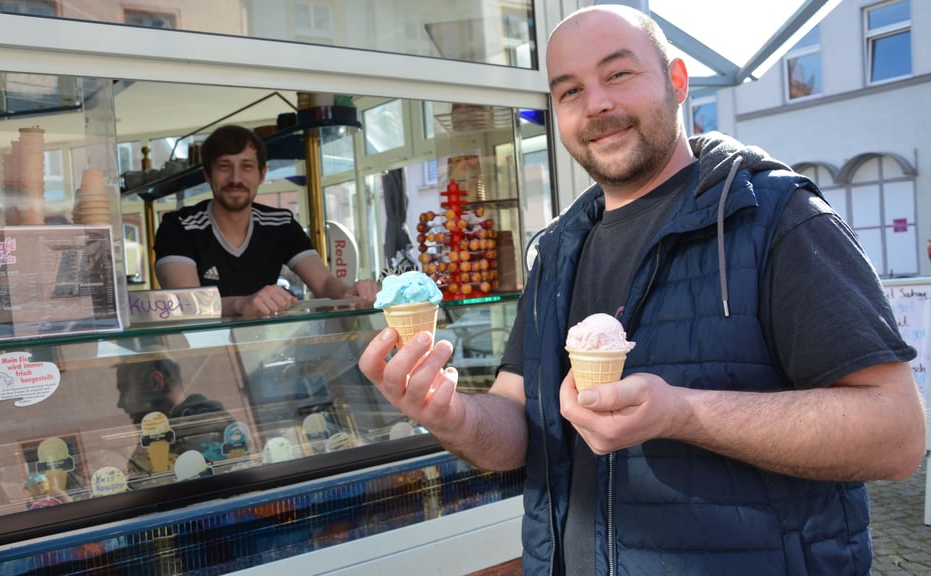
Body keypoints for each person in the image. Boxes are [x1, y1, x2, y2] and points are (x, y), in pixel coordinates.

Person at [357, 6, 927, 575]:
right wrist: (449, 414)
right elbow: (515, 425)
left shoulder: (776, 217)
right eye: (570, 90)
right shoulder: (556, 251)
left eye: (619, 74)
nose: (597, 104)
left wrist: (682, 412)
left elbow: (896, 434)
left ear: (677, 82)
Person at [153, 124, 379, 318]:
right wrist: (243, 304)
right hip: (197, 359)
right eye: (224, 166)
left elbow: (323, 284)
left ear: (262, 174)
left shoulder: (280, 223)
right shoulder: (178, 227)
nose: (235, 178)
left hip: (258, 354)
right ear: (207, 175)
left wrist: (349, 293)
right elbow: (186, 303)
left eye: (246, 166)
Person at [116, 350, 234, 475]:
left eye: (124, 390)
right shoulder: (164, 433)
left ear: (156, 381)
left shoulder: (202, 431)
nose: (120, 403)